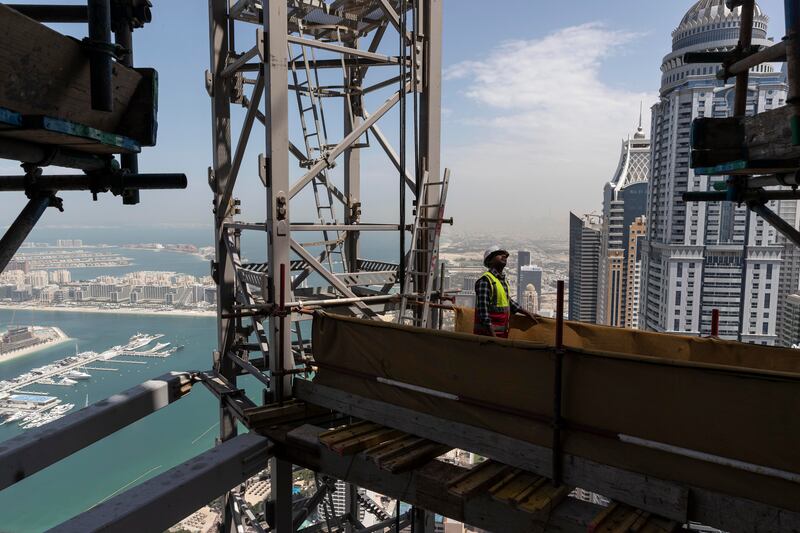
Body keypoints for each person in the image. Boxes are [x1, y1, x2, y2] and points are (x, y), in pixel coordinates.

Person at [473, 246, 536, 338]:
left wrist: (527, 313)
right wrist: (494, 338)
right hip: (487, 337)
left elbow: (508, 301)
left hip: (501, 334)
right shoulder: (485, 281)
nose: (504, 256)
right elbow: (483, 313)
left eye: (505, 255)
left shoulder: (502, 280)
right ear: (490, 261)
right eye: (499, 254)